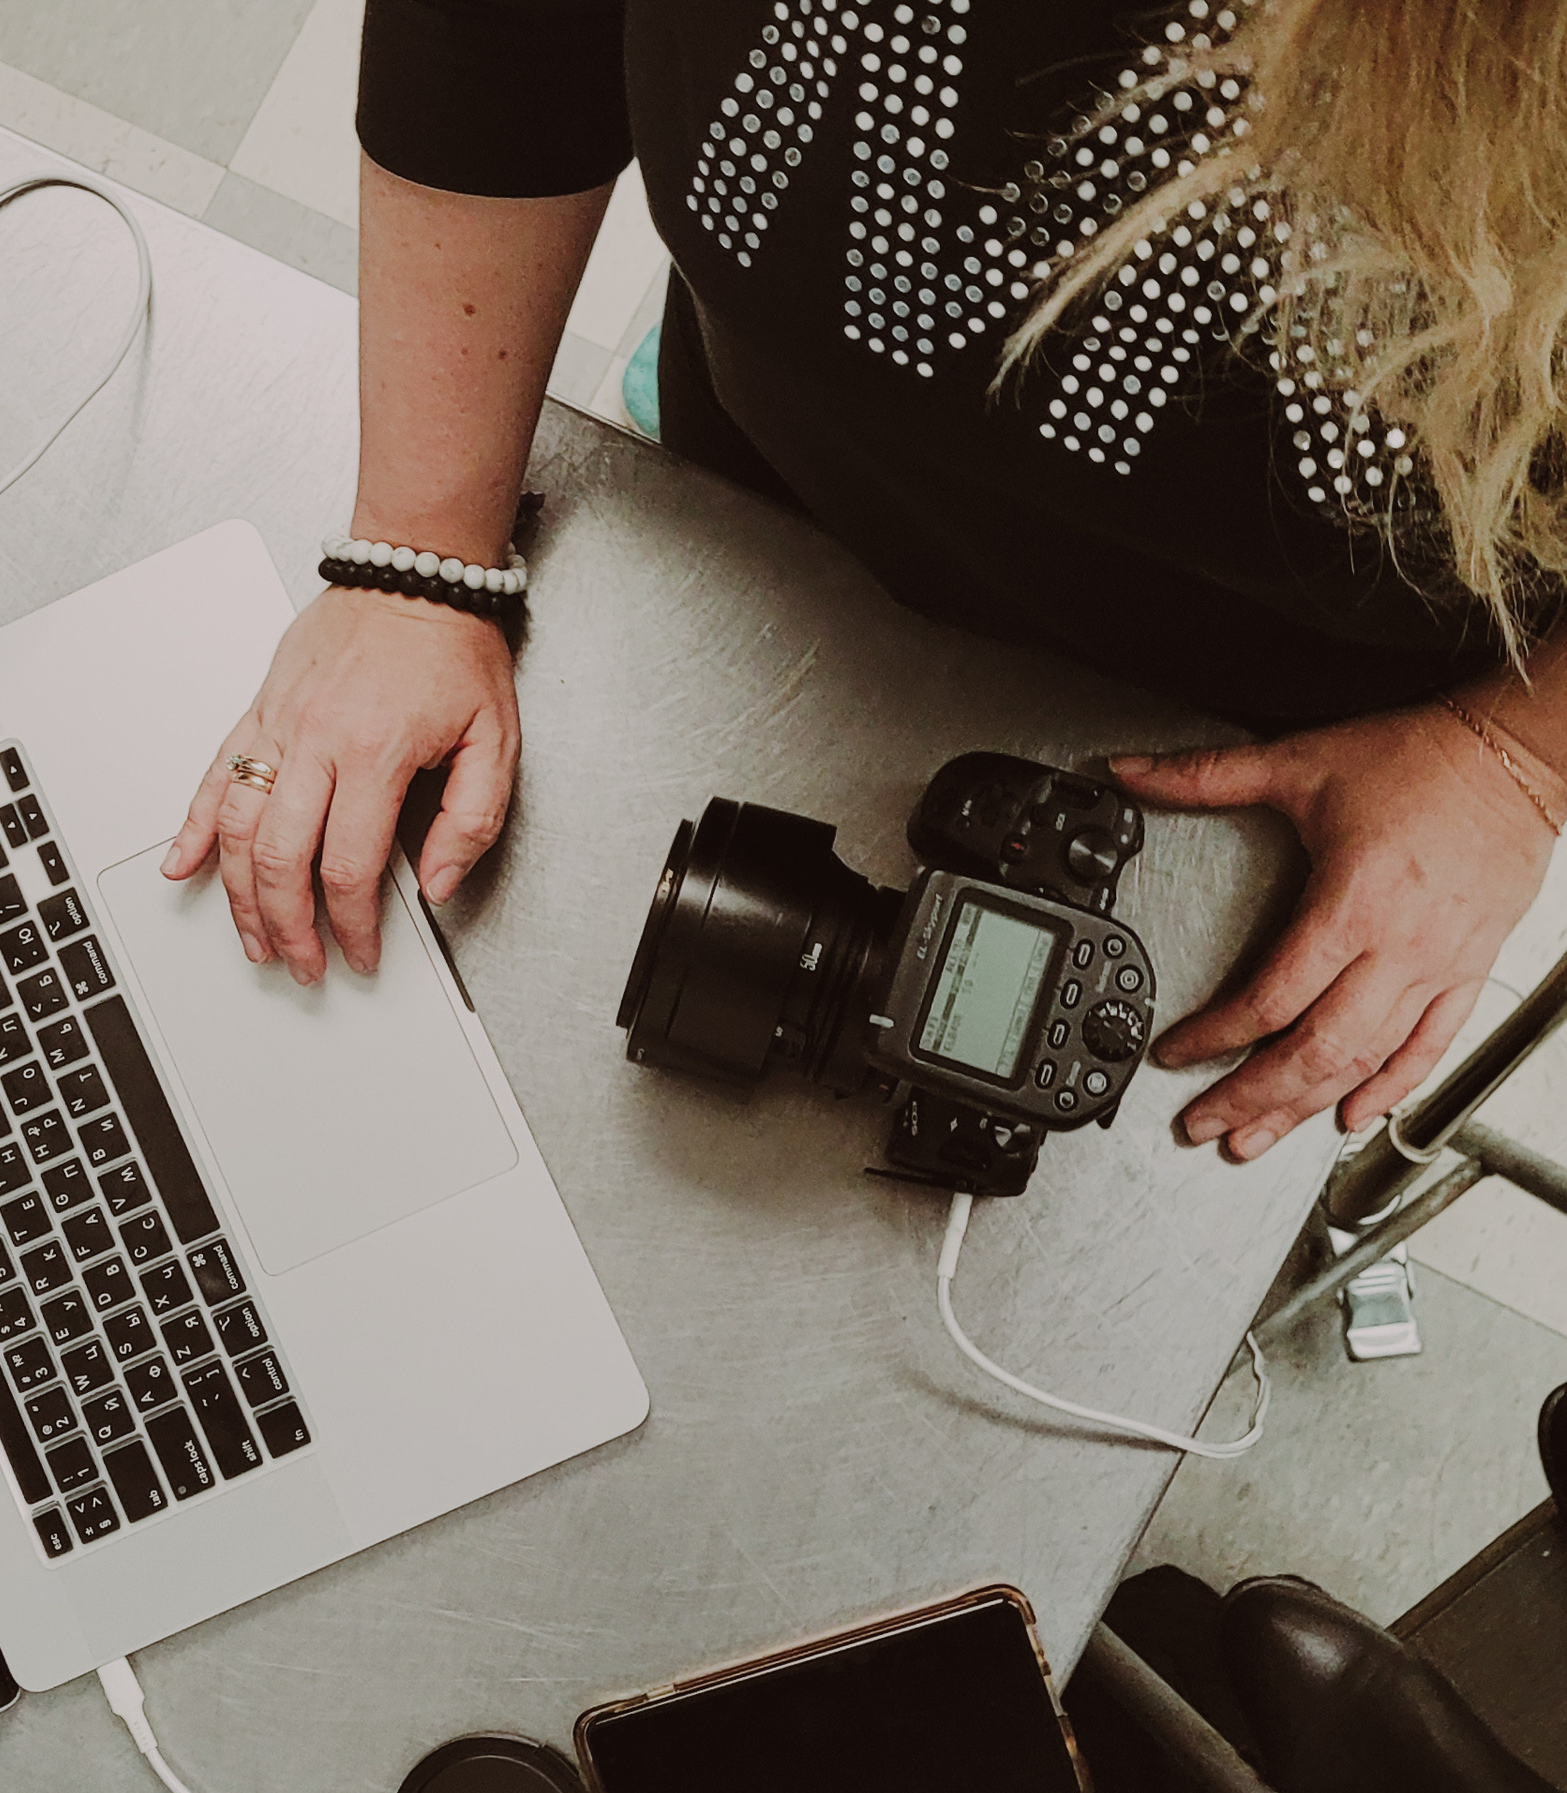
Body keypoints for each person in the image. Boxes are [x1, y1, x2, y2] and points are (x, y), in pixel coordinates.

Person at [169, 0, 1567, 1167]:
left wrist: (1520, 758)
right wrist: (420, 551)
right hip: (754, 514)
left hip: (1296, 749)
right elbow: (503, 37)